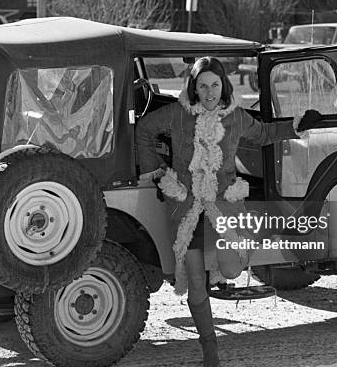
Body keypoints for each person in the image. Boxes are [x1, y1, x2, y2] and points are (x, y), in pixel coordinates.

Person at [136, 56, 319, 367]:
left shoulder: (235, 118)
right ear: (194, 87)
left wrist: (297, 124)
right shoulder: (178, 114)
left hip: (223, 202)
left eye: (215, 85)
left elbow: (262, 135)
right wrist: (155, 172)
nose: (209, 93)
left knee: (232, 270)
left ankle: (244, 240)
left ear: (224, 87)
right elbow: (143, 129)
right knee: (195, 281)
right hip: (187, 206)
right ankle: (210, 350)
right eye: (202, 86)